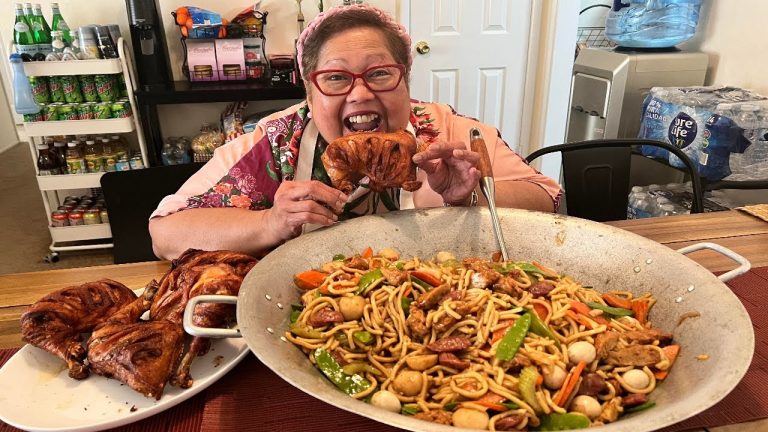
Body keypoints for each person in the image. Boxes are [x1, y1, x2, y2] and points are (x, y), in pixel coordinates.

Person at [149, 4, 562, 260]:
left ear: (405, 80)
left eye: (380, 73)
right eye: (335, 78)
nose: (360, 94)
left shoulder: (449, 132)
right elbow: (165, 233)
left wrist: (472, 195)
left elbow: (549, 198)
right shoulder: (276, 143)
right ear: (310, 93)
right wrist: (269, 223)